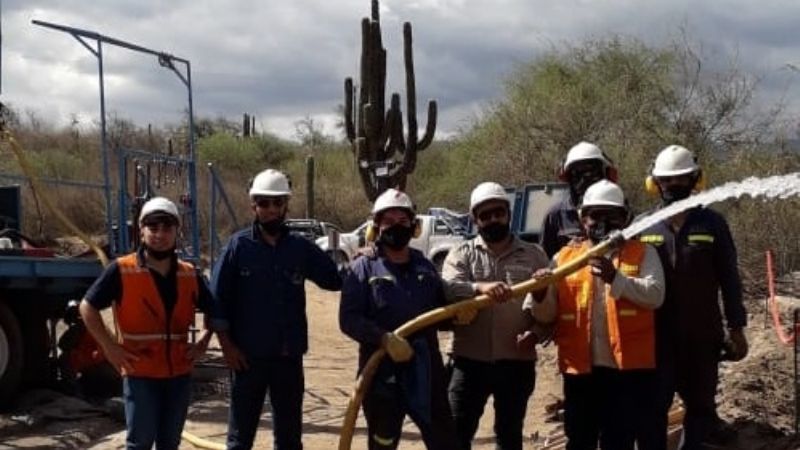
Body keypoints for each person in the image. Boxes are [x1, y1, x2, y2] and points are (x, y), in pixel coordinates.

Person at [339, 188, 510, 450]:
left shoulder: (425, 266)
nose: (397, 226)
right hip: (382, 375)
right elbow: (348, 319)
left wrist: (458, 318)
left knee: (444, 441)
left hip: (426, 372)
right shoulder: (362, 267)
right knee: (382, 442)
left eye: (403, 220)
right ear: (376, 227)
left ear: (414, 226)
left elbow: (440, 313)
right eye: (389, 221)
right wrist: (383, 339)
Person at [210, 168, 342, 450]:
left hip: (287, 359)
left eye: (277, 203)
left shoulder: (300, 248)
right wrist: (227, 348)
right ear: (253, 206)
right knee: (240, 439)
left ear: (286, 206)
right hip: (247, 360)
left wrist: (366, 258)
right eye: (264, 203)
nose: (271, 209)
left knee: (289, 440)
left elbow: (334, 279)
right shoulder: (237, 247)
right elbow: (217, 302)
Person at [527, 180, 664, 450]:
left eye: (611, 214)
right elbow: (547, 315)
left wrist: (617, 278)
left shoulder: (643, 253)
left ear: (625, 218)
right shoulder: (564, 259)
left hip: (625, 370)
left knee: (619, 439)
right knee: (579, 439)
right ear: (582, 218)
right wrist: (541, 295)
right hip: (580, 371)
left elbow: (655, 295)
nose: (602, 221)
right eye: (595, 215)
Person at [79, 197, 215, 450]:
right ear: (141, 231)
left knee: (169, 443)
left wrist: (204, 341)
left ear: (177, 232)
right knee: (139, 442)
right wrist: (109, 347)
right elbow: (87, 307)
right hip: (140, 373)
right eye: (153, 228)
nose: (160, 234)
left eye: (167, 228)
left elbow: (214, 312)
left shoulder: (189, 273)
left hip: (179, 375)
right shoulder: (121, 270)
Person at [638, 145, 748, 450]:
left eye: (681, 179)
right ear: (655, 183)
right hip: (656, 339)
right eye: (667, 180)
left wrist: (737, 327)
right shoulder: (643, 225)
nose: (673, 186)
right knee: (652, 410)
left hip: (702, 337)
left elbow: (729, 278)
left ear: (695, 180)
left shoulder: (712, 224)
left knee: (700, 409)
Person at [441, 181, 550, 450]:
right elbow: (449, 291)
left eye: (498, 213)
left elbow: (550, 315)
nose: (493, 220)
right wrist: (479, 287)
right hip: (468, 362)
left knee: (509, 436)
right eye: (485, 215)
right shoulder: (461, 255)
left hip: (516, 363)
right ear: (474, 220)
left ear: (508, 213)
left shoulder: (535, 256)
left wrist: (535, 334)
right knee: (455, 435)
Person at [540, 141, 618, 258]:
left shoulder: (617, 210)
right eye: (577, 173)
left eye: (592, 172)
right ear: (568, 178)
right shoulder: (556, 215)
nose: (585, 179)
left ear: (606, 174)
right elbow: (546, 260)